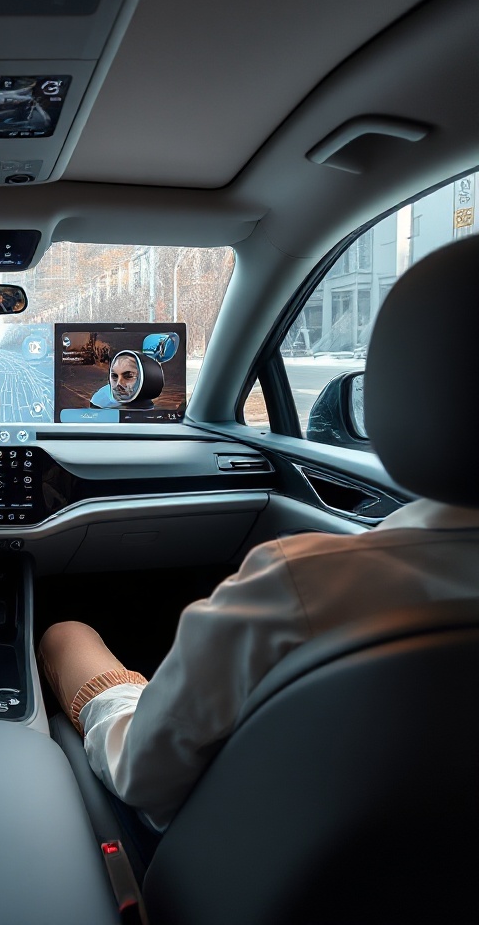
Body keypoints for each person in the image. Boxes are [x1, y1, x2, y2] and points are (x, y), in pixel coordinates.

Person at [40, 239, 479, 869]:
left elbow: (143, 775)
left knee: (66, 632)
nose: (120, 381)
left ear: (394, 393)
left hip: (220, 864)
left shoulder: (303, 584)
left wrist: (115, 696)